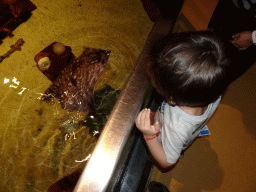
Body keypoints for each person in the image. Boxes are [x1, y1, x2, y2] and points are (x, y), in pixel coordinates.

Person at [135, 31, 230, 169]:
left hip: (167, 138)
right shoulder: (212, 91)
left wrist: (149, 136)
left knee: (159, 150)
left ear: (172, 99)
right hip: (183, 129)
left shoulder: (177, 127)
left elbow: (167, 161)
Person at [208, 0, 256, 84]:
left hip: (251, 28)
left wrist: (253, 37)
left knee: (226, 72)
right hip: (228, 5)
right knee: (207, 49)